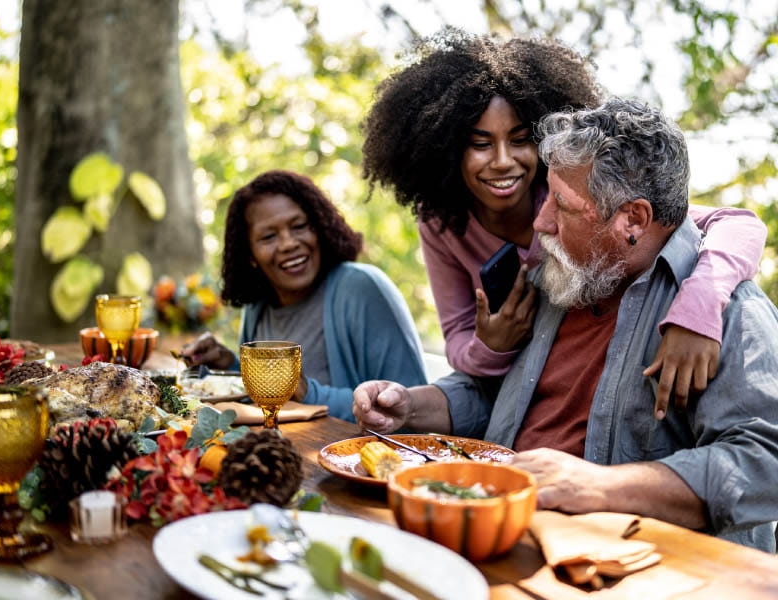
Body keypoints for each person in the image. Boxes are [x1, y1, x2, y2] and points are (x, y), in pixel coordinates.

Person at [354, 99, 778, 551]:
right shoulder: (561, 281)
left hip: (629, 566)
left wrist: (598, 487)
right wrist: (409, 406)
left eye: (561, 203)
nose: (540, 222)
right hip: (499, 534)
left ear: (632, 219)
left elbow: (763, 461)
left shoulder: (725, 310)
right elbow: (497, 394)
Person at [362, 28, 767, 417]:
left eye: (521, 140)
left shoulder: (568, 196)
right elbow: (460, 343)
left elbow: (735, 224)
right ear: (447, 150)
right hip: (516, 388)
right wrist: (492, 347)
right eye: (481, 145)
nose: (503, 161)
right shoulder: (442, 224)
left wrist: (696, 311)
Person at [182, 170, 427, 422]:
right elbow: (265, 404)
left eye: (299, 226)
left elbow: (408, 410)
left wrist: (304, 391)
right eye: (268, 236)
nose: (288, 243)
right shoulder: (258, 307)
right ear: (250, 254)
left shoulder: (361, 288)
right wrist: (229, 369)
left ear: (319, 227)